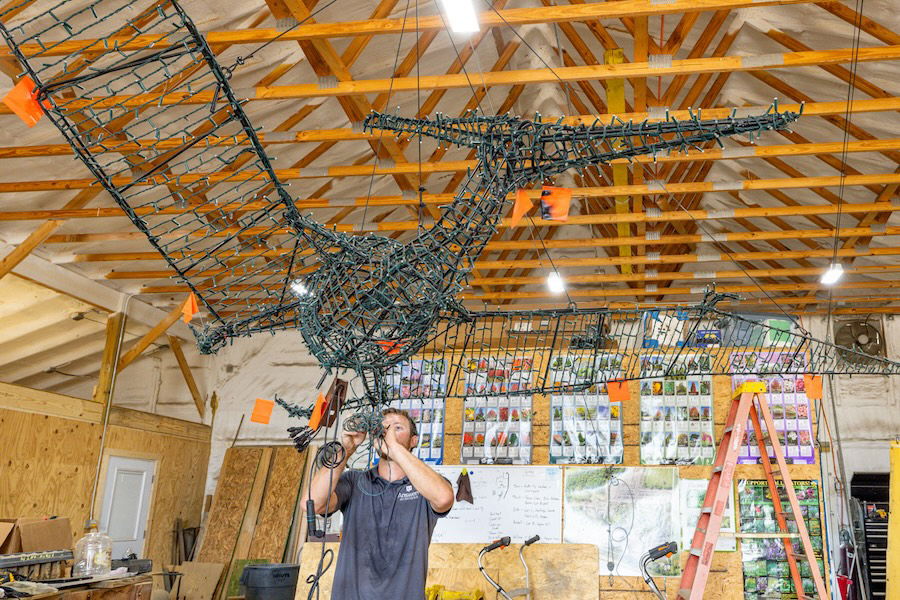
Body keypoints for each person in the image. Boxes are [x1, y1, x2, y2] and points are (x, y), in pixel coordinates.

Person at [307, 408, 454, 600]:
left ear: (413, 441)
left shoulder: (425, 486)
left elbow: (444, 498)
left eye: (398, 428)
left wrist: (395, 448)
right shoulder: (354, 481)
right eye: (383, 428)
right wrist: (347, 449)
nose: (388, 432)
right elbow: (313, 503)